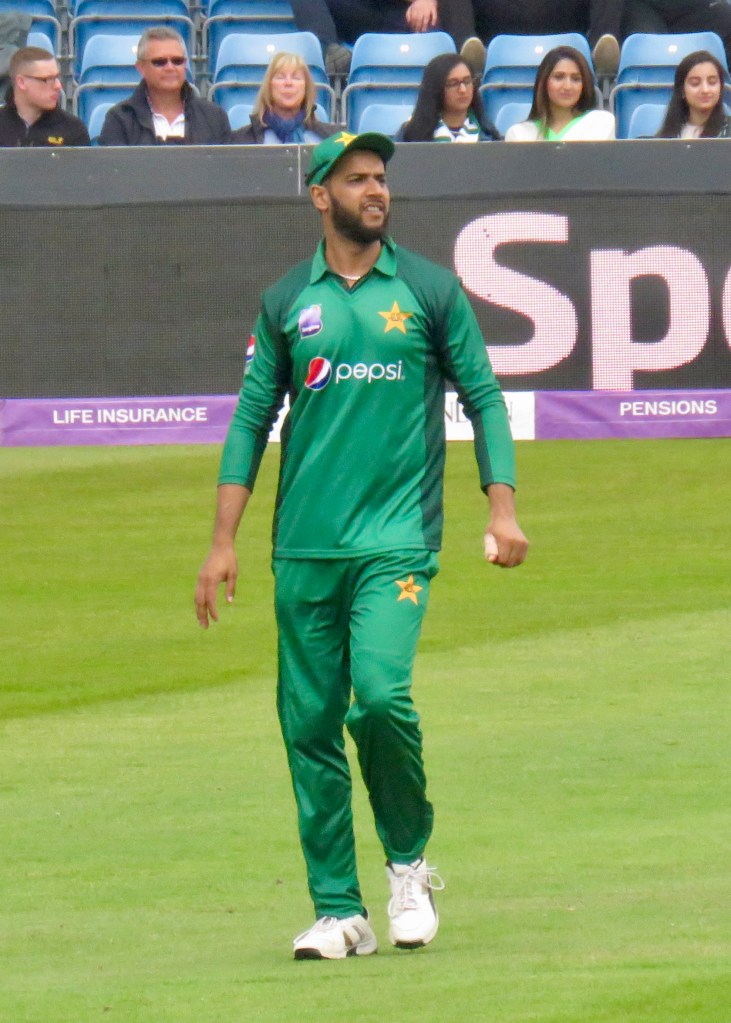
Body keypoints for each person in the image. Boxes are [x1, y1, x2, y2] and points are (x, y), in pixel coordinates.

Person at [194, 130, 529, 960]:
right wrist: (222, 539)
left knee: (378, 699)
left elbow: (483, 395)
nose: (375, 190)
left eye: (381, 178)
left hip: (395, 541)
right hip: (304, 547)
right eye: (356, 180)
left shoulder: (429, 289)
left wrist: (502, 508)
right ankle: (338, 910)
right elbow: (250, 418)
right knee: (308, 725)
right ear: (320, 196)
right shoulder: (285, 300)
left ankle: (408, 864)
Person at [98, 27, 231, 146]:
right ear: (141, 68)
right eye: (160, 62)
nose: (170, 67)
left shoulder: (214, 117)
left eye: (177, 61)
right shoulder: (119, 120)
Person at [505, 45, 615, 140]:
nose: (567, 86)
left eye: (576, 79)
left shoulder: (601, 123)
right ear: (543, 82)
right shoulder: (519, 134)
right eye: (558, 77)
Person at [231, 51, 339, 145]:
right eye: (280, 77)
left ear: (306, 88)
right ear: (269, 87)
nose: (288, 83)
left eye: (296, 78)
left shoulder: (334, 139)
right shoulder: (239, 140)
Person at [398, 51, 500, 141]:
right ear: (436, 88)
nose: (463, 90)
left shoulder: (489, 136)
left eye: (467, 81)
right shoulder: (410, 136)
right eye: (453, 83)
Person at [0, 46, 89, 146]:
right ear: (21, 82)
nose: (58, 86)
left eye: (57, 77)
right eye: (47, 79)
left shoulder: (73, 130)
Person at [655, 49, 731, 137]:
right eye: (695, 83)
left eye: (712, 82)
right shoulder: (666, 136)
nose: (705, 90)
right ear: (682, 89)